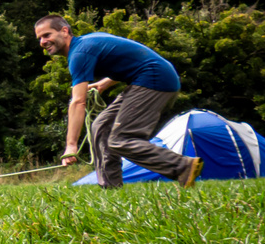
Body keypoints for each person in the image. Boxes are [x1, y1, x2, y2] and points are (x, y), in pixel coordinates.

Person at [34, 15, 203, 188]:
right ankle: (110, 187)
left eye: (47, 35)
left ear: (64, 31)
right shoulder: (86, 42)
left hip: (155, 79)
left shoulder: (79, 54)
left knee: (121, 139)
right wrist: (105, 82)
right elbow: (129, 59)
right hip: (148, 77)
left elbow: (78, 102)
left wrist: (71, 145)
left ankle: (182, 166)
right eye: (39, 38)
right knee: (100, 126)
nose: (42, 42)